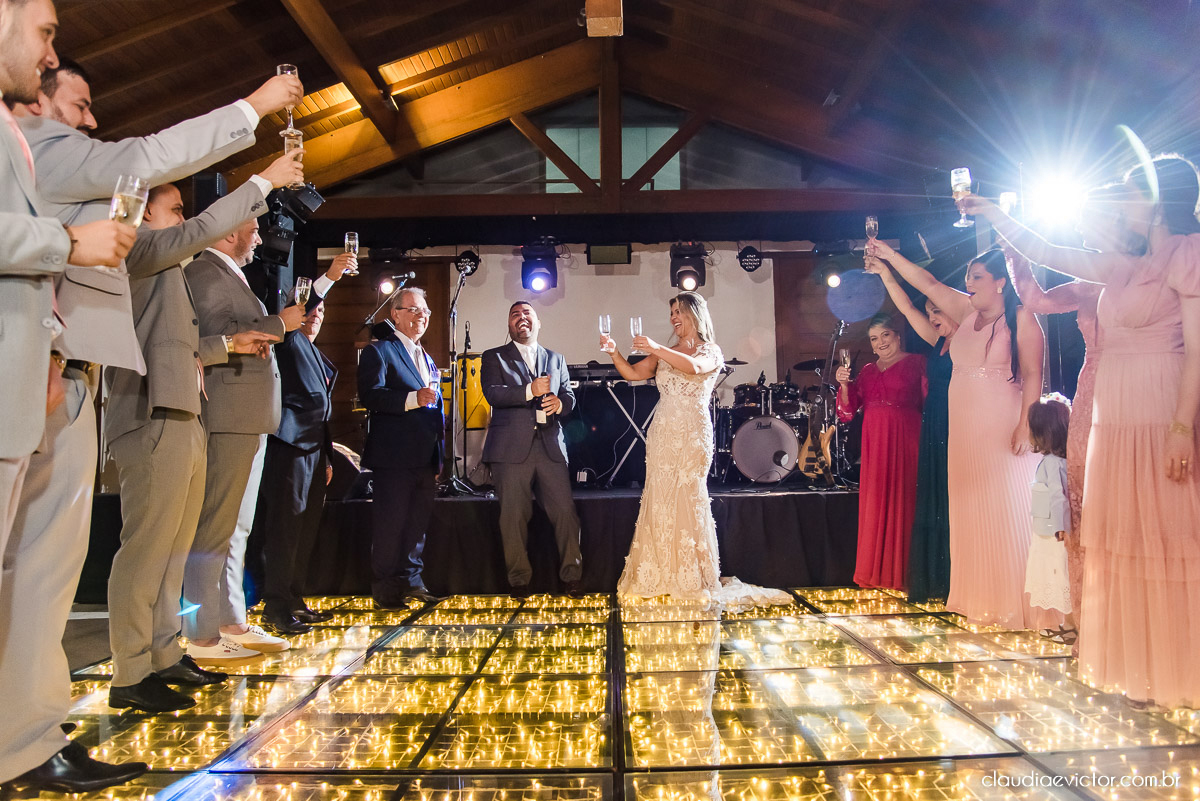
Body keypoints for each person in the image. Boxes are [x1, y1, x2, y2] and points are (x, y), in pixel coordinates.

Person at [962, 155, 1200, 708]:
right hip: (1113, 417)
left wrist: (1183, 427)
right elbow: (1047, 254)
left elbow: (1197, 351)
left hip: (1162, 405)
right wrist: (996, 212)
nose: (1120, 204)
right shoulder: (1117, 263)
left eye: (1130, 193)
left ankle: (1183, 665)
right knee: (1123, 540)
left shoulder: (1188, 255)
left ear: (1158, 199)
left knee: (1169, 538)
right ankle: (1144, 665)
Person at [0, 0, 143, 793]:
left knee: (40, 581)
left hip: (38, 377)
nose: (51, 54)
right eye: (46, 29)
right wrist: (64, 242)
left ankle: (24, 743)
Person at [103, 156, 301, 713]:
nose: (187, 218)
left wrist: (225, 348)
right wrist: (263, 181)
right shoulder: (139, 251)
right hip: (150, 410)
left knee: (172, 548)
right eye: (177, 209)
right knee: (146, 547)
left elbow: (177, 343)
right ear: (145, 216)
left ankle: (164, 654)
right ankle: (129, 669)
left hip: (185, 408)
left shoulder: (168, 270)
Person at [867, 240, 1046, 628]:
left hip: (1002, 423)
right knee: (969, 510)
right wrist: (888, 257)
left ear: (1001, 281)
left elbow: (1033, 372)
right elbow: (928, 284)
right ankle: (979, 596)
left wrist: (1027, 422)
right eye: (967, 276)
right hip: (962, 428)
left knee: (1006, 507)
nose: (969, 282)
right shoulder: (964, 312)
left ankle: (1017, 601)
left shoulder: (1020, 316)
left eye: (977, 276)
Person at [600, 292, 790, 608]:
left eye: (679, 311)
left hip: (692, 434)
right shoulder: (666, 352)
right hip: (663, 433)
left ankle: (690, 576)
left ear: (695, 315)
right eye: (671, 312)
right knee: (660, 496)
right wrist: (614, 352)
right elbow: (633, 373)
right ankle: (658, 573)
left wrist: (657, 348)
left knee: (688, 497)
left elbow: (693, 367)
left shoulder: (710, 351)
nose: (674, 317)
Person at [182, 219, 305, 663]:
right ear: (230, 231)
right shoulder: (204, 272)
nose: (259, 237)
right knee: (214, 526)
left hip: (247, 414)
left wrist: (275, 327)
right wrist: (279, 324)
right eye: (253, 229)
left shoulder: (229, 273)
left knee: (236, 527)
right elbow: (220, 332)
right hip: (228, 412)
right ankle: (199, 633)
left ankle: (230, 620)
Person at [249, 257, 354, 633]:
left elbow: (323, 412)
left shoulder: (316, 353)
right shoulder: (289, 338)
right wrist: (330, 278)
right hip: (289, 446)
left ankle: (294, 598)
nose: (317, 316)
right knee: (286, 527)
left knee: (306, 527)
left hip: (314, 451)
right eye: (312, 310)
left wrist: (328, 457)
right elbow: (301, 308)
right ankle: (275, 606)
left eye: (323, 312)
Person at [868, 261, 961, 602]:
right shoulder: (937, 341)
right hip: (935, 420)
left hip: (958, 417)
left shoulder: (969, 337)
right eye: (930, 312)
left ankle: (958, 578)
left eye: (938, 310)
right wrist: (884, 274)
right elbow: (906, 308)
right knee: (934, 496)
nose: (934, 317)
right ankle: (936, 579)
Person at [480, 301, 583, 597]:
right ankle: (519, 580)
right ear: (509, 325)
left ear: (538, 322)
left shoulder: (556, 358)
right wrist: (530, 391)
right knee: (512, 517)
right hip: (510, 450)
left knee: (566, 513)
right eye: (515, 315)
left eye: (527, 314)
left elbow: (568, 395)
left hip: (550, 447)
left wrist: (561, 403)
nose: (521, 318)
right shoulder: (493, 357)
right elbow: (493, 394)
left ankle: (572, 576)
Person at [358, 289, 443, 608]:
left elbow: (434, 408)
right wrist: (411, 399)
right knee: (390, 524)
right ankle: (385, 588)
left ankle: (412, 580)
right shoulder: (379, 351)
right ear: (395, 314)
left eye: (426, 312)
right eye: (414, 310)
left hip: (425, 455)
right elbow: (371, 396)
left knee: (416, 524)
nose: (422, 316)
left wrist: (439, 455)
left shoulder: (427, 357)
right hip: (393, 456)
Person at [835, 312, 926, 591]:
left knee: (903, 501)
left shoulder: (917, 363)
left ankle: (903, 575)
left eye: (885, 335)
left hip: (906, 439)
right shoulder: (867, 372)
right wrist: (844, 385)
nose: (881, 342)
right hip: (874, 445)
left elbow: (930, 403)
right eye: (875, 338)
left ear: (897, 336)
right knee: (876, 504)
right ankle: (875, 574)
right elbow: (847, 413)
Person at [1024, 394, 1074, 640]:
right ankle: (1059, 623)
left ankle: (1060, 624)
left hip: (1050, 532)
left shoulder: (1053, 463)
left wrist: (1062, 526)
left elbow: (1057, 496)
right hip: (1046, 528)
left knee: (1055, 573)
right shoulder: (1055, 461)